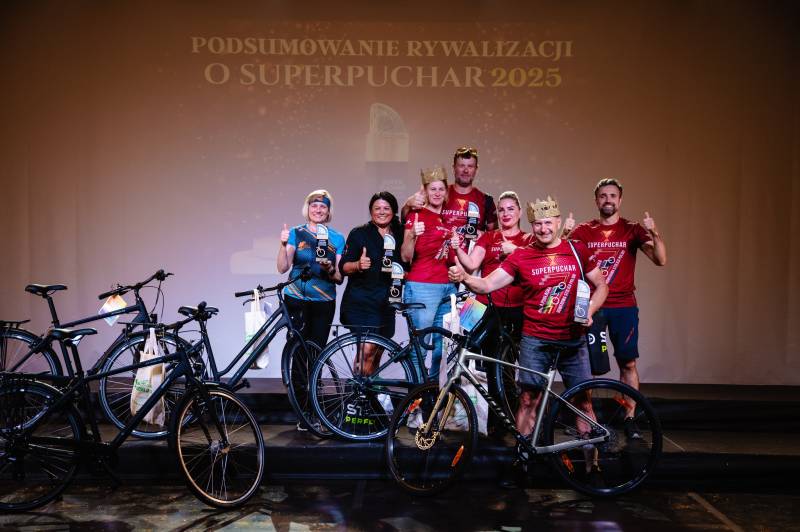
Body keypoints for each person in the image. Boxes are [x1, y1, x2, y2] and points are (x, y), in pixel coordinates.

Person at [448, 196, 608, 484]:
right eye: (538, 224)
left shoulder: (577, 250)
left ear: (558, 222)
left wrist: (591, 310)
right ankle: (522, 461)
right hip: (535, 339)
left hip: (573, 340)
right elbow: (487, 284)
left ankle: (592, 466)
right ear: (531, 225)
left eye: (548, 223)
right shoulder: (521, 256)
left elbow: (602, 286)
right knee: (527, 400)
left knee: (583, 403)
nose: (544, 229)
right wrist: (464, 277)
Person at [562, 178, 667, 425]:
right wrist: (565, 234)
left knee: (627, 363)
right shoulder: (584, 230)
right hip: (593, 307)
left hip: (623, 306)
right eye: (603, 196)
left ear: (620, 200)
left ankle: (629, 418)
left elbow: (660, 259)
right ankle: (586, 420)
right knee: (587, 366)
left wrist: (654, 232)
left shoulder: (632, 229)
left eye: (612, 196)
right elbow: (560, 256)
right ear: (596, 200)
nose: (607, 200)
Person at [338, 191, 406, 375]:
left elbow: (407, 262)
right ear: (370, 211)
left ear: (394, 211)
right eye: (377, 208)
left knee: (377, 352)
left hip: (387, 302)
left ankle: (368, 389)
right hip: (362, 302)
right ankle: (357, 390)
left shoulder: (400, 234)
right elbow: (343, 267)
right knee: (367, 350)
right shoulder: (359, 233)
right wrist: (358, 265)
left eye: (386, 208)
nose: (382, 212)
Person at [400, 165, 457, 379]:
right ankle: (416, 396)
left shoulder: (447, 221)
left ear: (446, 192)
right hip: (423, 287)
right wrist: (411, 235)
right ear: (424, 191)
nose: (437, 193)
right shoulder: (416, 215)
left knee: (443, 352)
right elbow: (405, 256)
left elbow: (448, 258)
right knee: (420, 349)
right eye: (432, 189)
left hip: (447, 288)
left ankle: (433, 394)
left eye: (441, 189)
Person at [277, 189, 345, 351]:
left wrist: (330, 269)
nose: (318, 210)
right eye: (314, 206)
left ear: (328, 211)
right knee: (297, 351)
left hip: (324, 302)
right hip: (296, 299)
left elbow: (339, 278)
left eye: (323, 206)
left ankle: (316, 370)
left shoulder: (337, 238)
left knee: (318, 352)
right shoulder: (296, 233)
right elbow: (282, 268)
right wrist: (283, 245)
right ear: (307, 209)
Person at [403, 146, 497, 240]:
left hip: (470, 249)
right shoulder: (438, 193)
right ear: (454, 168)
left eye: (470, 166)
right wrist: (408, 205)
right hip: (437, 248)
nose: (466, 170)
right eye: (461, 166)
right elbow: (407, 219)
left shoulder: (486, 200)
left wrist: (483, 235)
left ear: (476, 169)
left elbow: (495, 235)